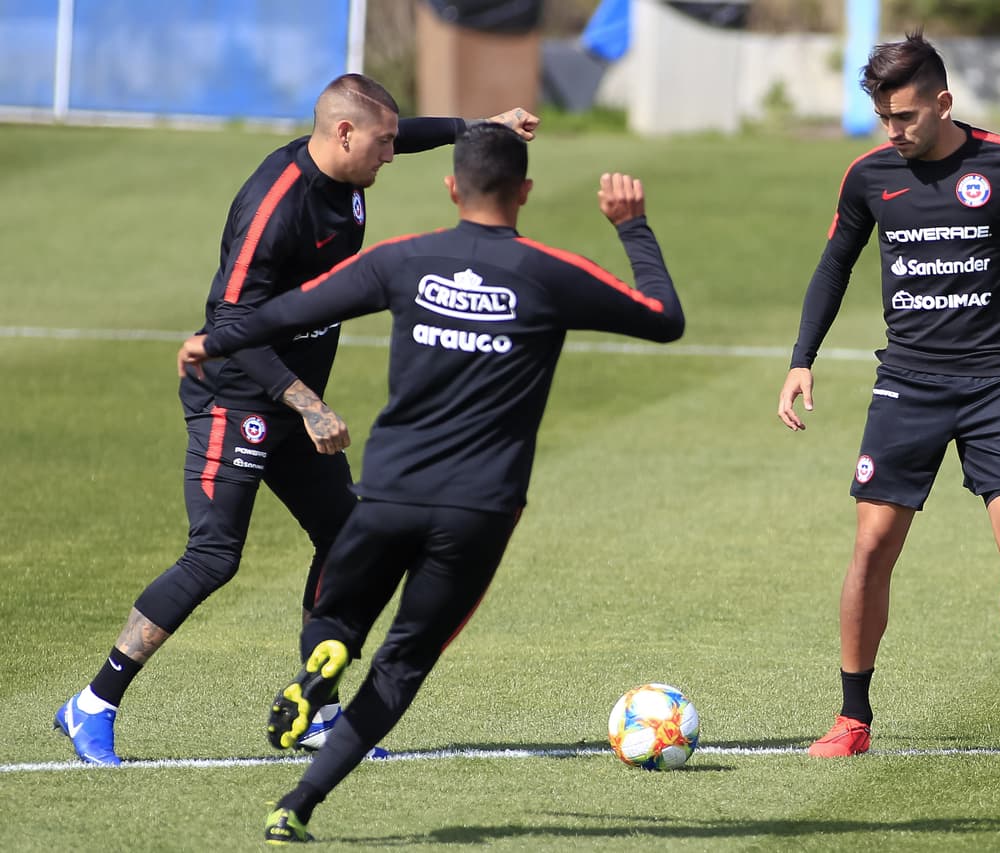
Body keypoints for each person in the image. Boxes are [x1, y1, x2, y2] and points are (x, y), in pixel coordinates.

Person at [176, 122, 684, 843]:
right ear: (526, 193)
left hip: (389, 495)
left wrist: (213, 339)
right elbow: (665, 320)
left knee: (339, 619)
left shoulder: (402, 260)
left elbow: (290, 308)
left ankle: (327, 652)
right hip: (479, 509)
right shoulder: (548, 272)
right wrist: (633, 228)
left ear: (452, 187)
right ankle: (297, 802)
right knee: (402, 665)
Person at [54, 73, 540, 767]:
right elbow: (230, 319)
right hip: (236, 398)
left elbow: (407, 134)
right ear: (343, 134)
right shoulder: (276, 204)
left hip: (293, 405)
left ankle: (317, 707)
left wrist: (479, 128)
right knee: (214, 554)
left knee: (348, 538)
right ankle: (92, 703)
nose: (393, 156)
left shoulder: (349, 177)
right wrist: (303, 400)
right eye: (382, 143)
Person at [777, 32, 1000, 762]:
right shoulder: (867, 176)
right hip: (907, 385)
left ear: (944, 102)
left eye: (908, 116)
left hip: (997, 381)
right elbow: (833, 267)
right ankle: (852, 717)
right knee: (872, 545)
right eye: (884, 118)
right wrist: (801, 360)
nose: (895, 131)